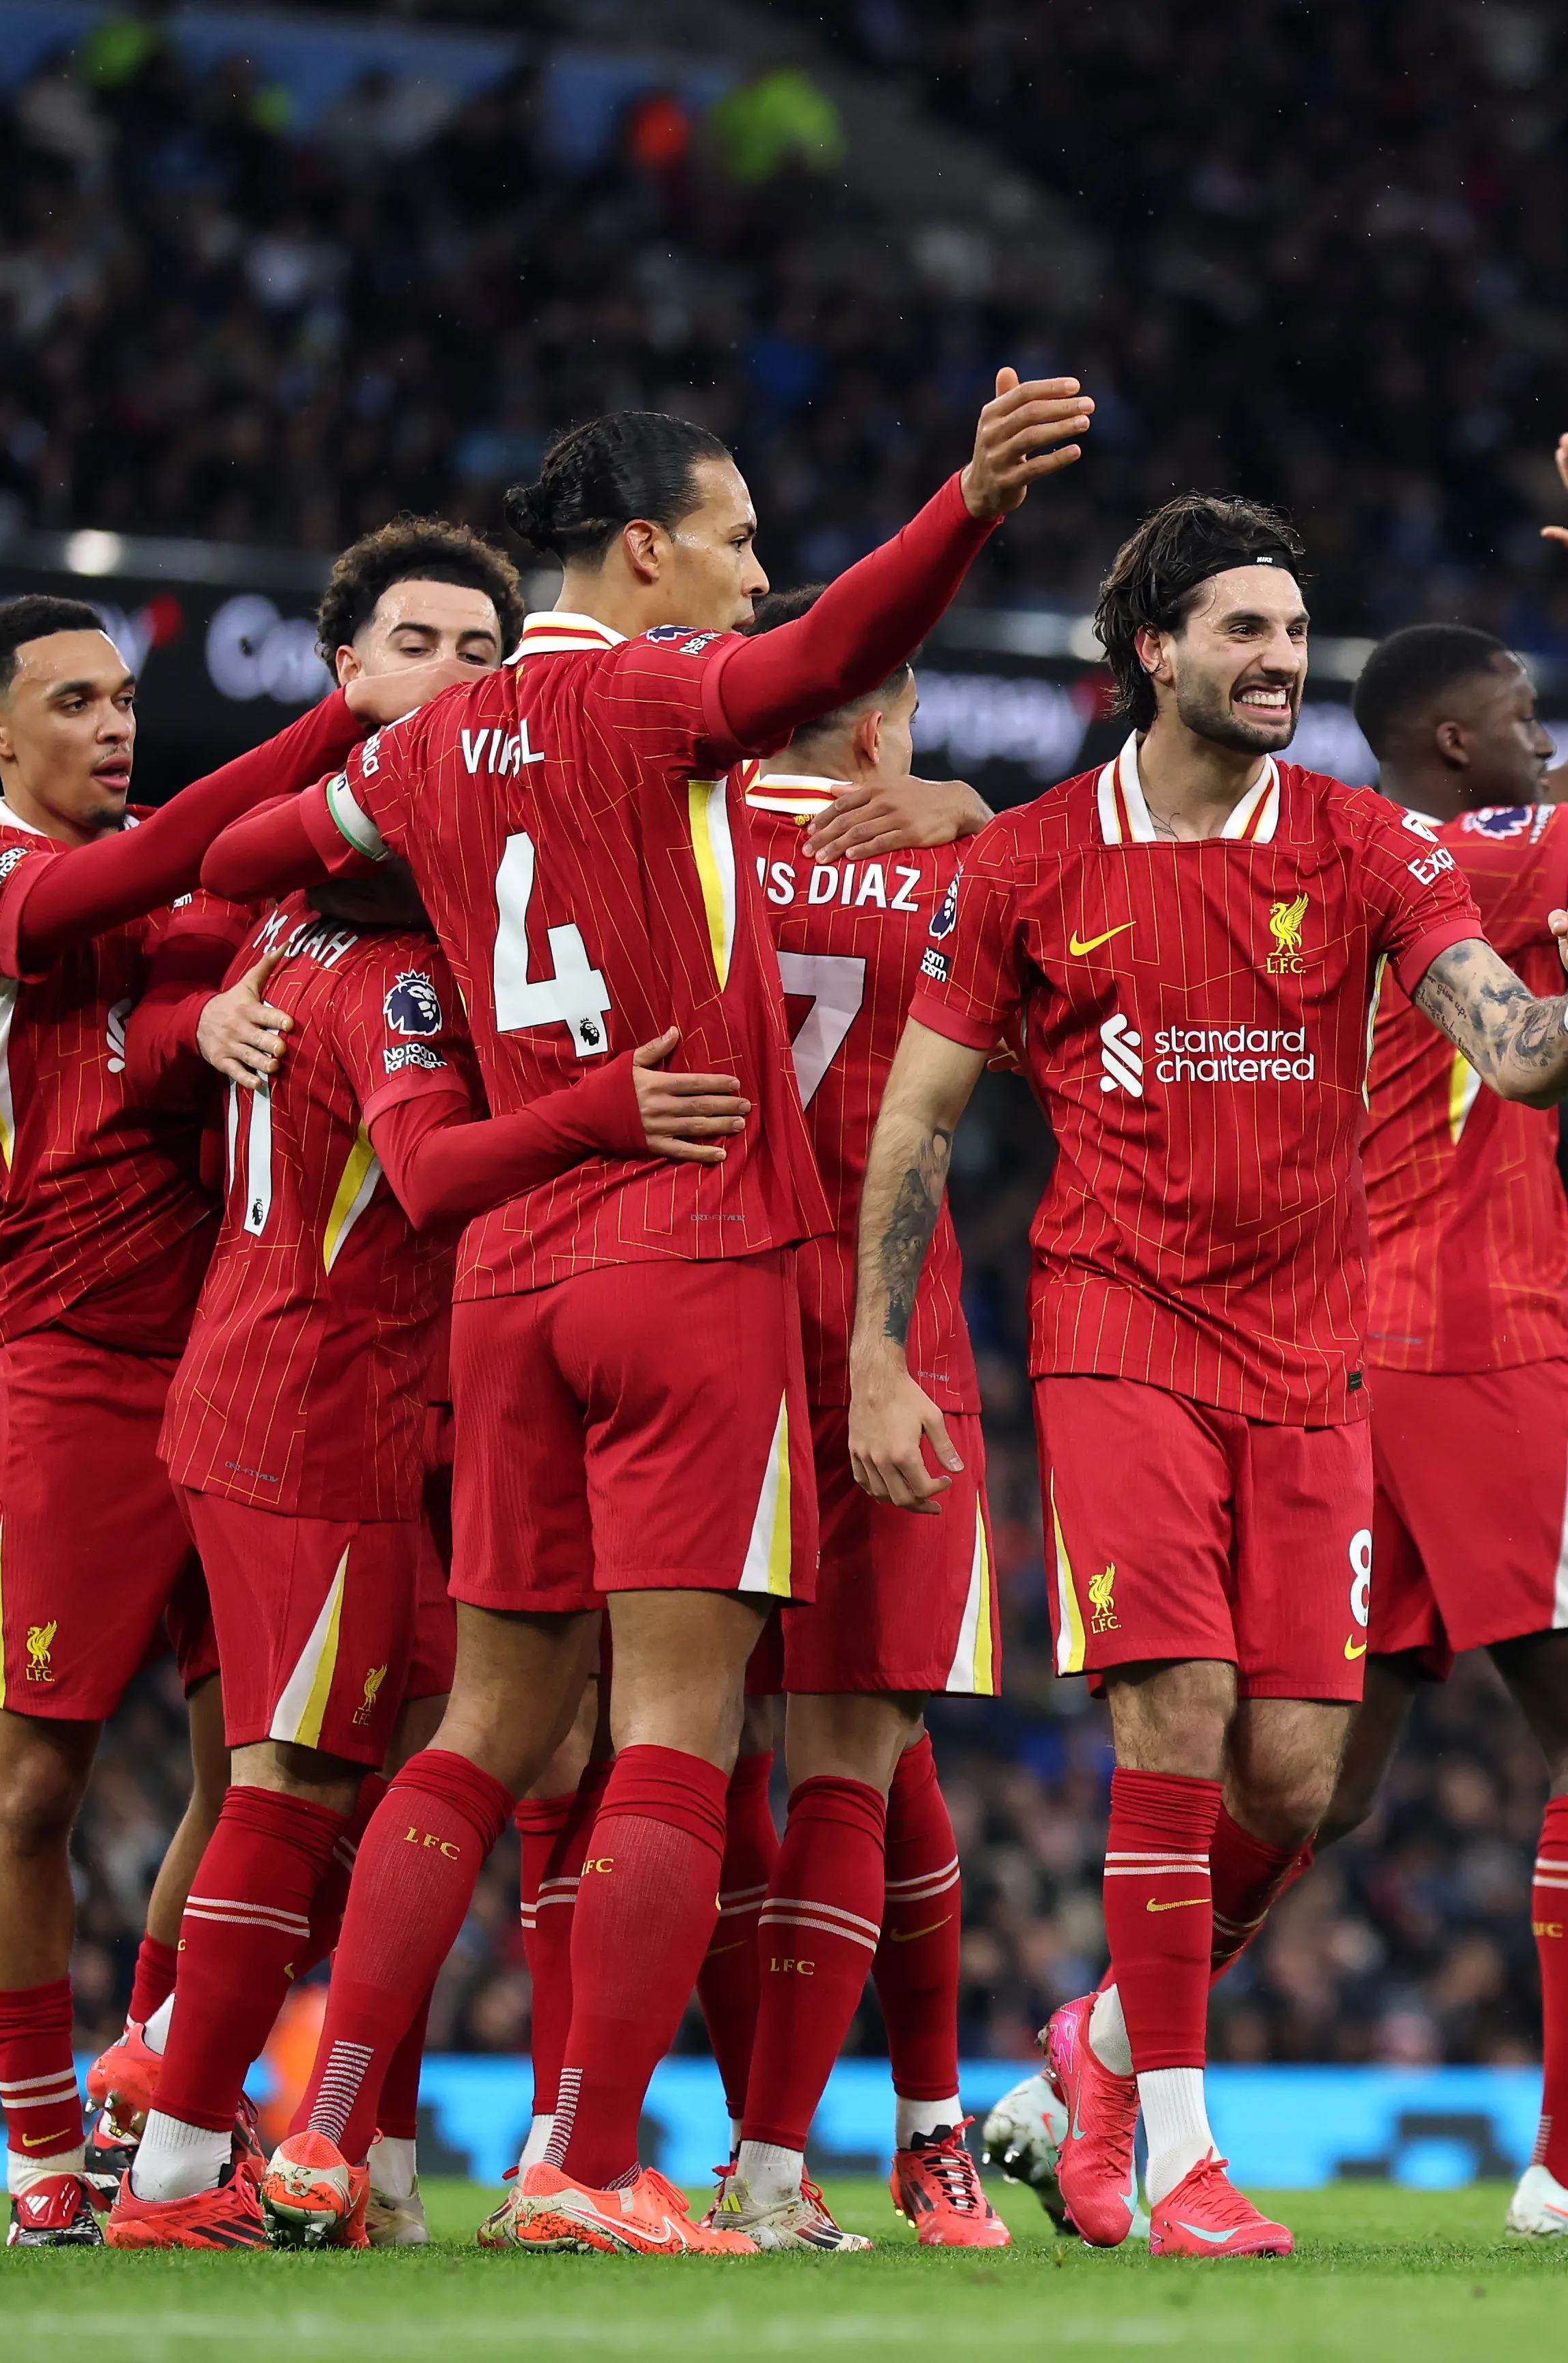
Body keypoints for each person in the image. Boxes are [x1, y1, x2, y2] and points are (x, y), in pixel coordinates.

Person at [204, 378, 1088, 2256]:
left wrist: (341, 924)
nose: (759, 581)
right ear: (643, 551)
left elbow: (232, 861)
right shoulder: (644, 692)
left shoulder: (430, 744)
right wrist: (965, 509)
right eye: (740, 538)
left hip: (508, 1268)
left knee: (494, 1723)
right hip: (691, 1261)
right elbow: (828, 654)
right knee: (683, 1727)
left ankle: (319, 2132)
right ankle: (586, 2161)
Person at [848, 493, 1568, 2260]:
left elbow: (1506, 1056)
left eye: (1296, 633)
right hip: (1117, 1329)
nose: (1282, 662)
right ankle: (1190, 2153)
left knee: (1292, 1777)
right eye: (1245, 632)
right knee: (1176, 1714)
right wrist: (876, 1359)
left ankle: (1094, 2055)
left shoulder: (1369, 846)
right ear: (1155, 653)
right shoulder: (1033, 860)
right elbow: (916, 1117)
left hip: (1311, 1354)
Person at [103, 522, 751, 2247]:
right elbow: (438, 1170)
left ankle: (337, 2144)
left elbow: (216, 911)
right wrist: (614, 1107)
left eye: (488, 651)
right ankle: (174, 2147)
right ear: (349, 698)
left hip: (318, 1397)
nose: (475, 692)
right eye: (429, 654)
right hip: (315, 1406)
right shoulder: (388, 973)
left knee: (399, 1757)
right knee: (299, 1781)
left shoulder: (297, 938)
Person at [1272, 391, 1568, 2242]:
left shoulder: (1403, 861)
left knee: (1332, 1784)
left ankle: (1095, 2053)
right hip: (1477, 1338)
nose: (1556, 748)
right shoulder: (1458, 864)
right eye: (1525, 728)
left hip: (1359, 1348)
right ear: (1453, 743)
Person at [0, 592, 415, 2245]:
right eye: (75, 702)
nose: (115, 727)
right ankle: (43, 2151)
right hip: (69, 1365)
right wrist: (351, 718)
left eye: (125, 697)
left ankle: (152, 2075)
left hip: (234, 1359)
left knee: (254, 1768)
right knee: (36, 1777)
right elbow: (154, 910)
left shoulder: (193, 869)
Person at [701, 582, 1009, 2251]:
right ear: (887, 715)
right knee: (851, 1748)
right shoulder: (963, 857)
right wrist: (985, 814)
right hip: (896, 1322)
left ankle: (916, 2119)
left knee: (698, 1747)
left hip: (703, 1307)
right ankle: (776, 2163)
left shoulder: (682, 818)